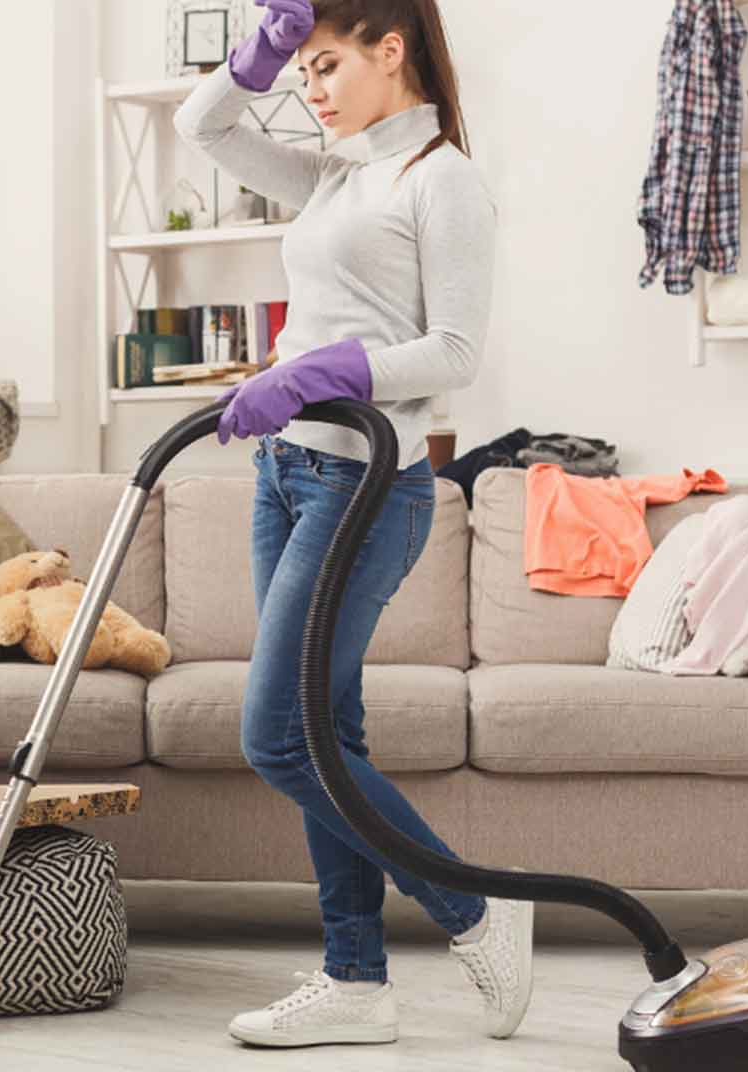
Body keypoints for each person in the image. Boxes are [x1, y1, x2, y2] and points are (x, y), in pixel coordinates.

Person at [172, 0, 531, 1049]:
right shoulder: (337, 174)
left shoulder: (442, 180)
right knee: (327, 733)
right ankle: (356, 979)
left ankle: (472, 902)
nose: (311, 89)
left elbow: (456, 352)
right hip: (286, 480)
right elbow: (205, 129)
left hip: (367, 489)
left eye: (326, 64)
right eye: (301, 69)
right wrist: (258, 53)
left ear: (393, 50)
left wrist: (319, 373)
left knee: (276, 734)